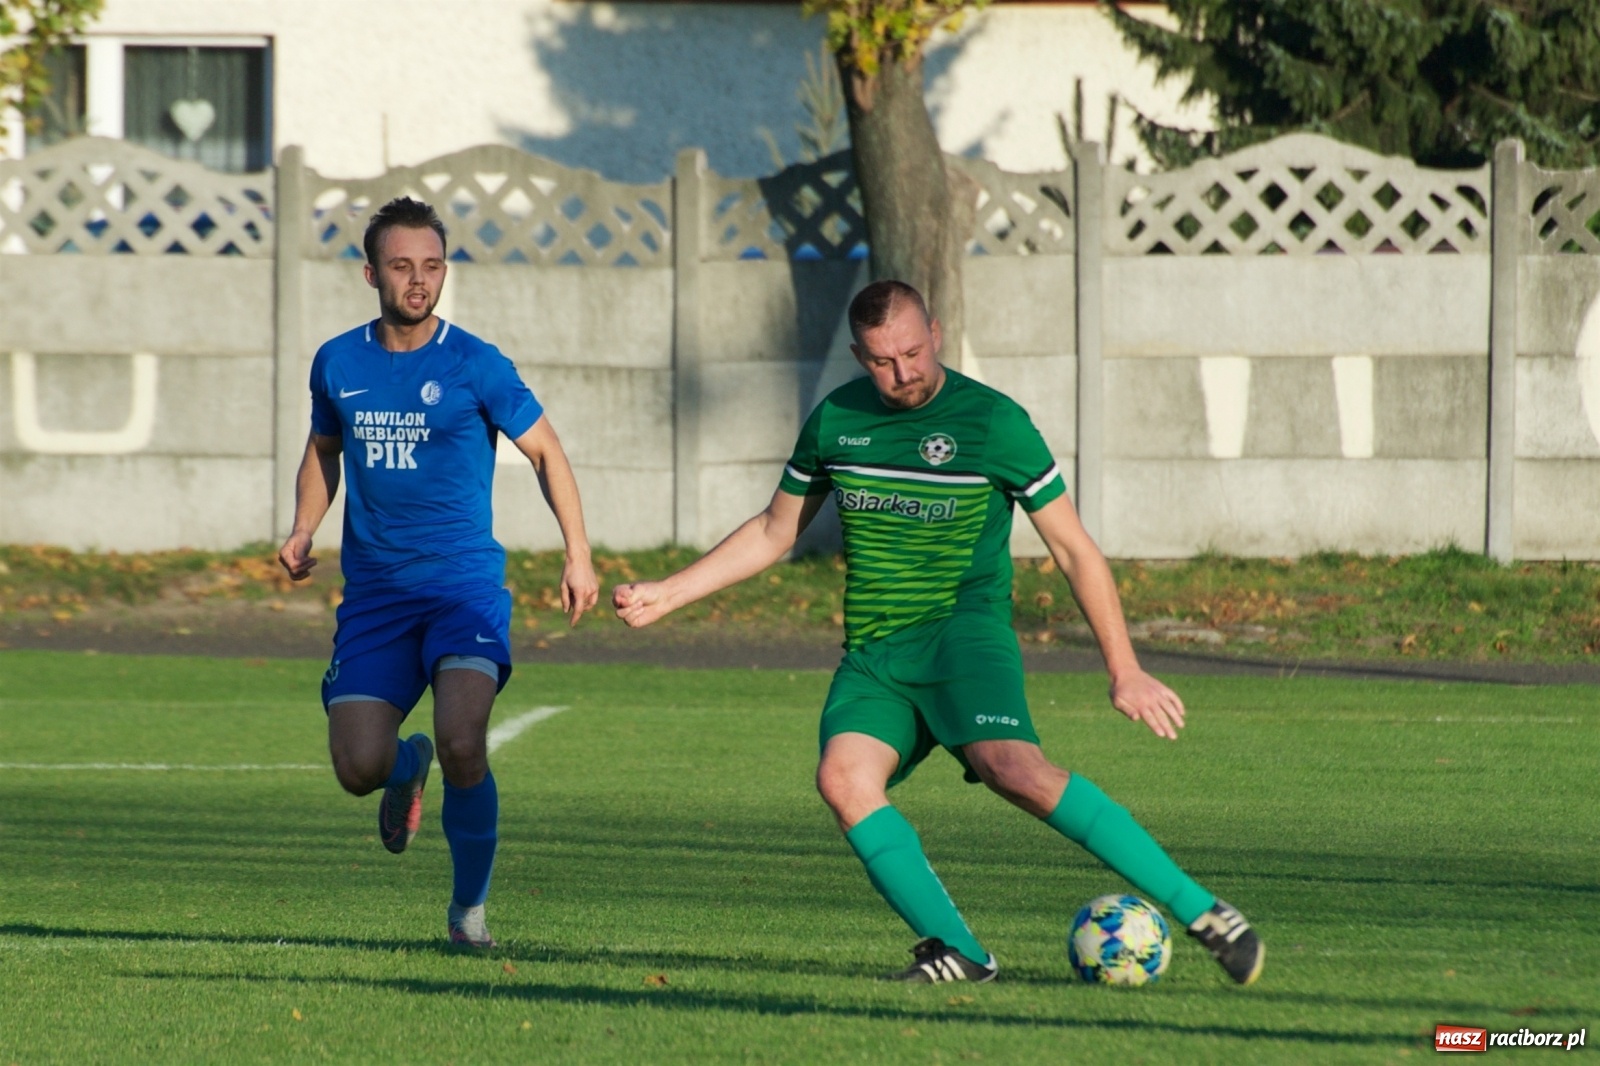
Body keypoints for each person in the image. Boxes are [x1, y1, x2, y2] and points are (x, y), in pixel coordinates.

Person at [612, 280, 1263, 985]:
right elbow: (775, 530)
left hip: (963, 638)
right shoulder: (836, 422)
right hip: (875, 653)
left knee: (1014, 771)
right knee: (842, 779)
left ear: (937, 333)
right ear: (860, 356)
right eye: (883, 361)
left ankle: (1205, 913)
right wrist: (668, 591)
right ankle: (960, 951)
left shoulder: (992, 423)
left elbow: (1073, 548)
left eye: (913, 353)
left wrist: (1124, 668)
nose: (903, 373)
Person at [278, 196, 598, 950]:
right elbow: (324, 450)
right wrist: (302, 526)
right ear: (371, 274)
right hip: (377, 596)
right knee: (357, 767)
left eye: (431, 265)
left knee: (463, 740)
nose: (418, 280)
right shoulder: (338, 361)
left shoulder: (475, 363)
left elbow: (546, 451)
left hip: (462, 592)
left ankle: (468, 914)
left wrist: (578, 552)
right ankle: (403, 765)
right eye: (401, 266)